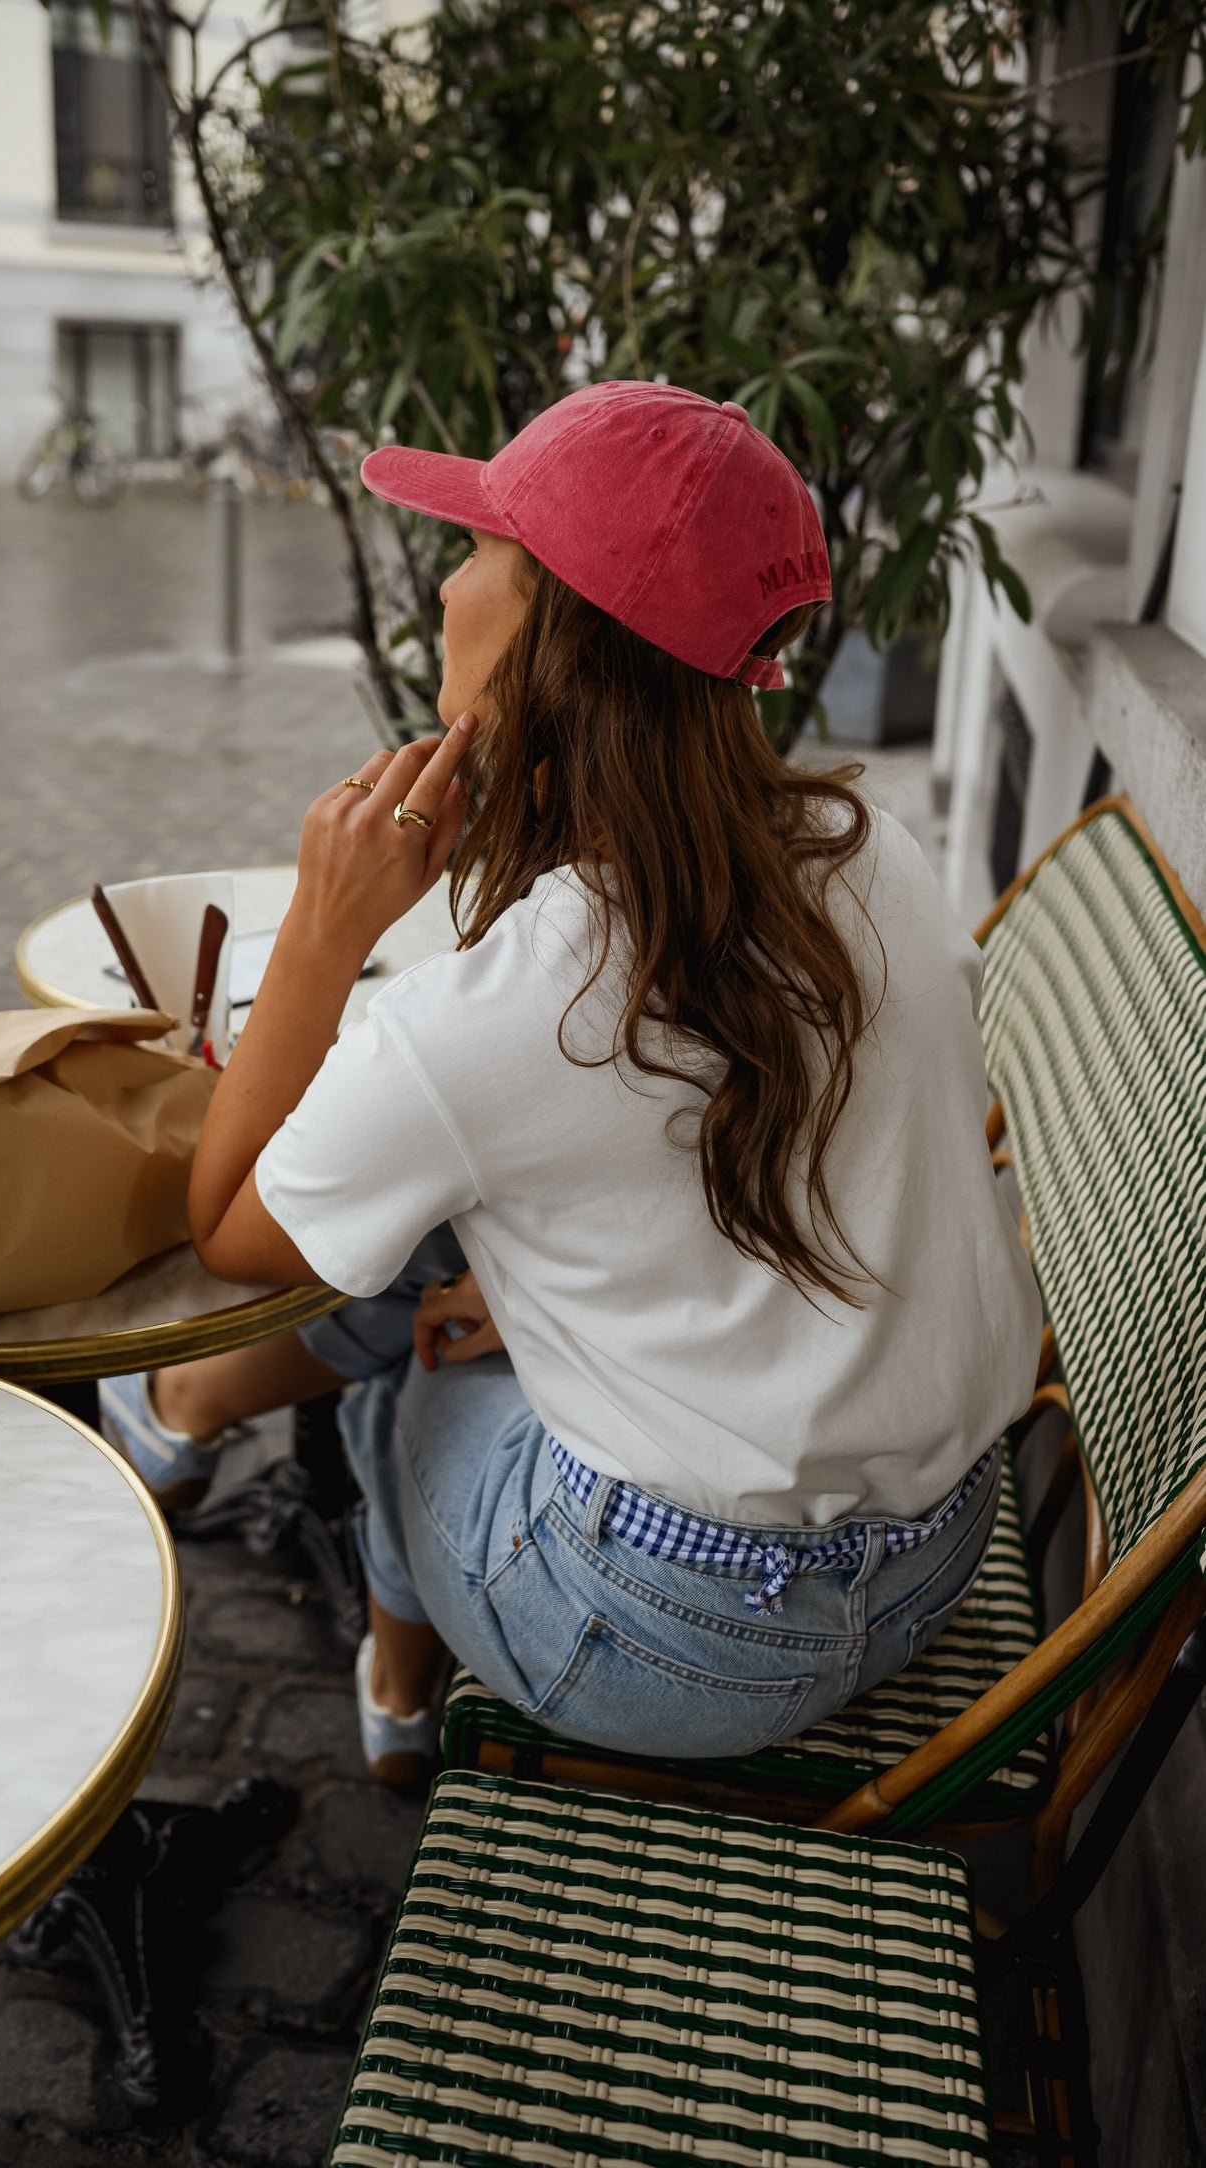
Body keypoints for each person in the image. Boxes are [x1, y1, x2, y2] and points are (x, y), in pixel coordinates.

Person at [101, 380, 1042, 1785]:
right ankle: (218, 1464)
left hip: (662, 1642)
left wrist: (322, 928)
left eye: (480, 549)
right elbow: (732, 1154)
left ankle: (385, 1681)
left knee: (392, 1334)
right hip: (935, 1558)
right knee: (433, 1245)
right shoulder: (871, 854)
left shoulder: (497, 1011)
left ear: (559, 627)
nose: (444, 582)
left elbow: (231, 1232)